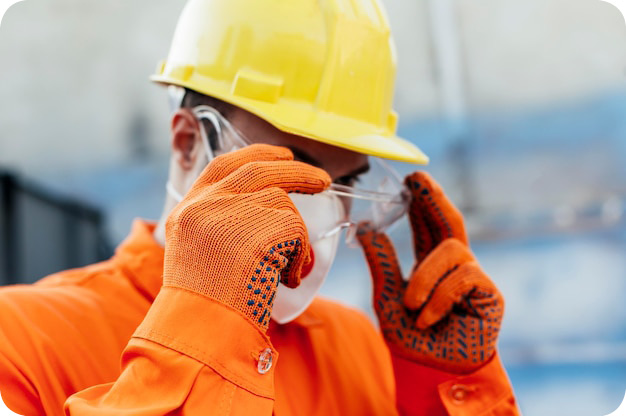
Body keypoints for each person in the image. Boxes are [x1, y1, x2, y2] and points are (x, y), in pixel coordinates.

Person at [0, 0, 520, 414]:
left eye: (346, 185)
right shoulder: (22, 342)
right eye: (290, 169)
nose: (322, 217)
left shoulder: (361, 350)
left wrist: (447, 392)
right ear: (187, 143)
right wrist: (200, 342)